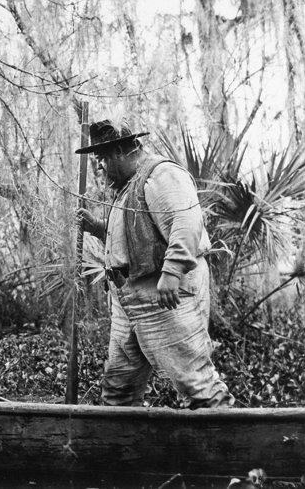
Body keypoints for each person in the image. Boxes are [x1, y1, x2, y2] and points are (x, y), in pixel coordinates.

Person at [76, 119, 233, 409]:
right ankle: (123, 452)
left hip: (165, 296)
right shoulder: (128, 187)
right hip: (128, 299)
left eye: (102, 159)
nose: (99, 167)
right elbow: (135, 238)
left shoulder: (161, 174)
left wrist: (172, 272)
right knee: (118, 390)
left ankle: (227, 446)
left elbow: (185, 222)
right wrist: (97, 227)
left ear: (120, 151)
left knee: (196, 383)